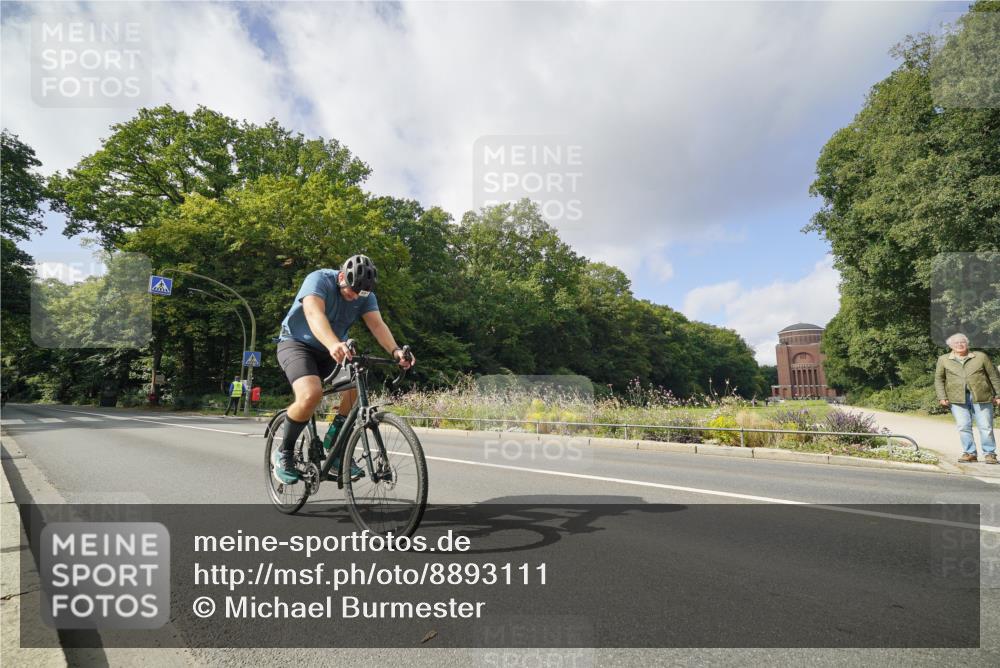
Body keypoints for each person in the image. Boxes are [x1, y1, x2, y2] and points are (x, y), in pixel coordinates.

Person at [273, 254, 414, 484]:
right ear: (341, 278)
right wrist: (332, 343)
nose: (355, 297)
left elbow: (377, 325)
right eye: (352, 291)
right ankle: (284, 453)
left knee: (357, 380)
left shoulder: (365, 296)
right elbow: (313, 313)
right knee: (311, 394)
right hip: (297, 344)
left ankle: (336, 443)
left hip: (335, 348)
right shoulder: (318, 280)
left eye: (361, 293)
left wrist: (396, 351)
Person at [935, 333, 1000, 464]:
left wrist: (998, 395)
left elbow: (993, 376)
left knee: (986, 426)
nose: (959, 345)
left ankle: (990, 454)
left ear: (967, 343)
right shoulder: (944, 359)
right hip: (956, 398)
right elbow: (939, 379)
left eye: (962, 342)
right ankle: (970, 453)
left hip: (981, 396)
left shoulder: (980, 357)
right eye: (956, 343)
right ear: (950, 346)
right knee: (963, 426)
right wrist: (942, 396)